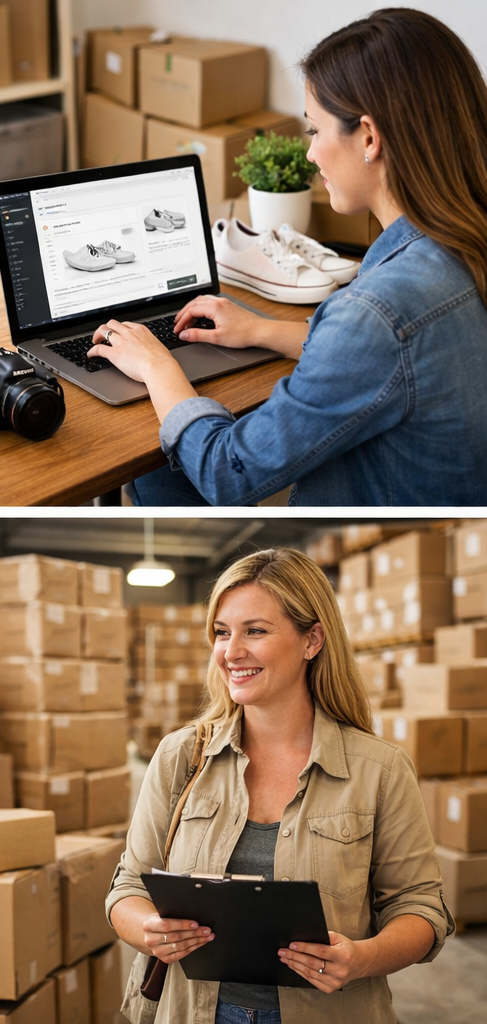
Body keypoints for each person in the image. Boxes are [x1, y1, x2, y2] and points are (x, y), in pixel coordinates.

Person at [86, 8, 487, 505]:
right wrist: (263, 331)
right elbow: (401, 357)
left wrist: (157, 366)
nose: (311, 155)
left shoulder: (377, 311)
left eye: (314, 131)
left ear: (368, 136)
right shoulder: (463, 243)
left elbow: (227, 472)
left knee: (153, 466)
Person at [107, 548, 453, 1024]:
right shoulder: (180, 757)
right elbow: (127, 886)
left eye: (256, 631)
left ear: (312, 640)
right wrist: (150, 929)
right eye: (222, 632)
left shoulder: (381, 770)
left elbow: (420, 909)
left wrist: (363, 957)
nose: (232, 652)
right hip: (197, 1012)